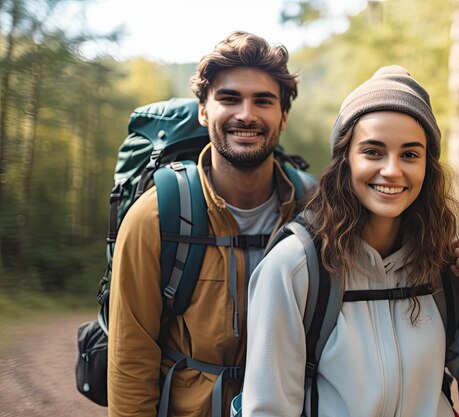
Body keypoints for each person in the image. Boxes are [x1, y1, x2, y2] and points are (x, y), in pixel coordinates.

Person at [242, 65, 459, 417]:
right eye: (373, 152)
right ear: (345, 160)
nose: (392, 170)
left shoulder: (441, 262)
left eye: (410, 154)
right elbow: (268, 409)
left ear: (427, 166)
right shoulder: (295, 266)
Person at [107, 31, 311, 417]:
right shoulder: (154, 219)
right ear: (203, 111)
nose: (246, 114)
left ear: (283, 116)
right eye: (229, 98)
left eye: (263, 101)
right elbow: (131, 362)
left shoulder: (313, 214)